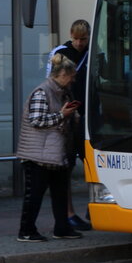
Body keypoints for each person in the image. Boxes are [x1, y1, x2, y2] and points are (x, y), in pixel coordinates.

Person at [16, 53, 83, 242]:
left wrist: (73, 115)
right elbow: (36, 120)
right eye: (71, 75)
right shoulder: (42, 92)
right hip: (38, 154)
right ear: (62, 74)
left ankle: (62, 228)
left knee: (60, 193)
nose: (73, 79)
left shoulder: (64, 92)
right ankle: (26, 230)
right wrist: (62, 115)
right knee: (34, 195)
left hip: (57, 152)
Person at [47, 19, 92, 230]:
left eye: (83, 39)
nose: (80, 43)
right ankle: (69, 212)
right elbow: (51, 82)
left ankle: (96, 204)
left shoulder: (95, 51)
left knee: (92, 162)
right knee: (66, 165)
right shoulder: (61, 52)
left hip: (89, 113)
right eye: (76, 39)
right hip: (68, 114)